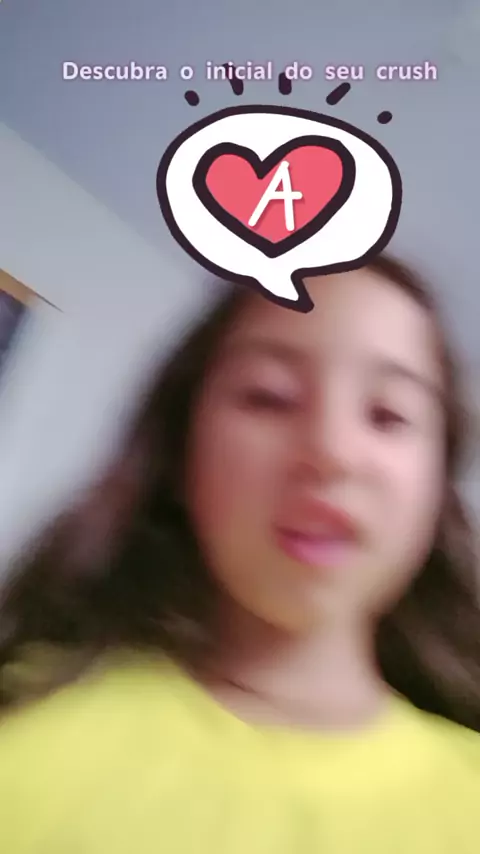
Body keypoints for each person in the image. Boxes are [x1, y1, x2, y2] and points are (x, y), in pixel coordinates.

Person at [0, 253, 479, 853]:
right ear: (182, 453)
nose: (332, 451)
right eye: (270, 397)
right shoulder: (25, 738)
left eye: (388, 415)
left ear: (437, 488)